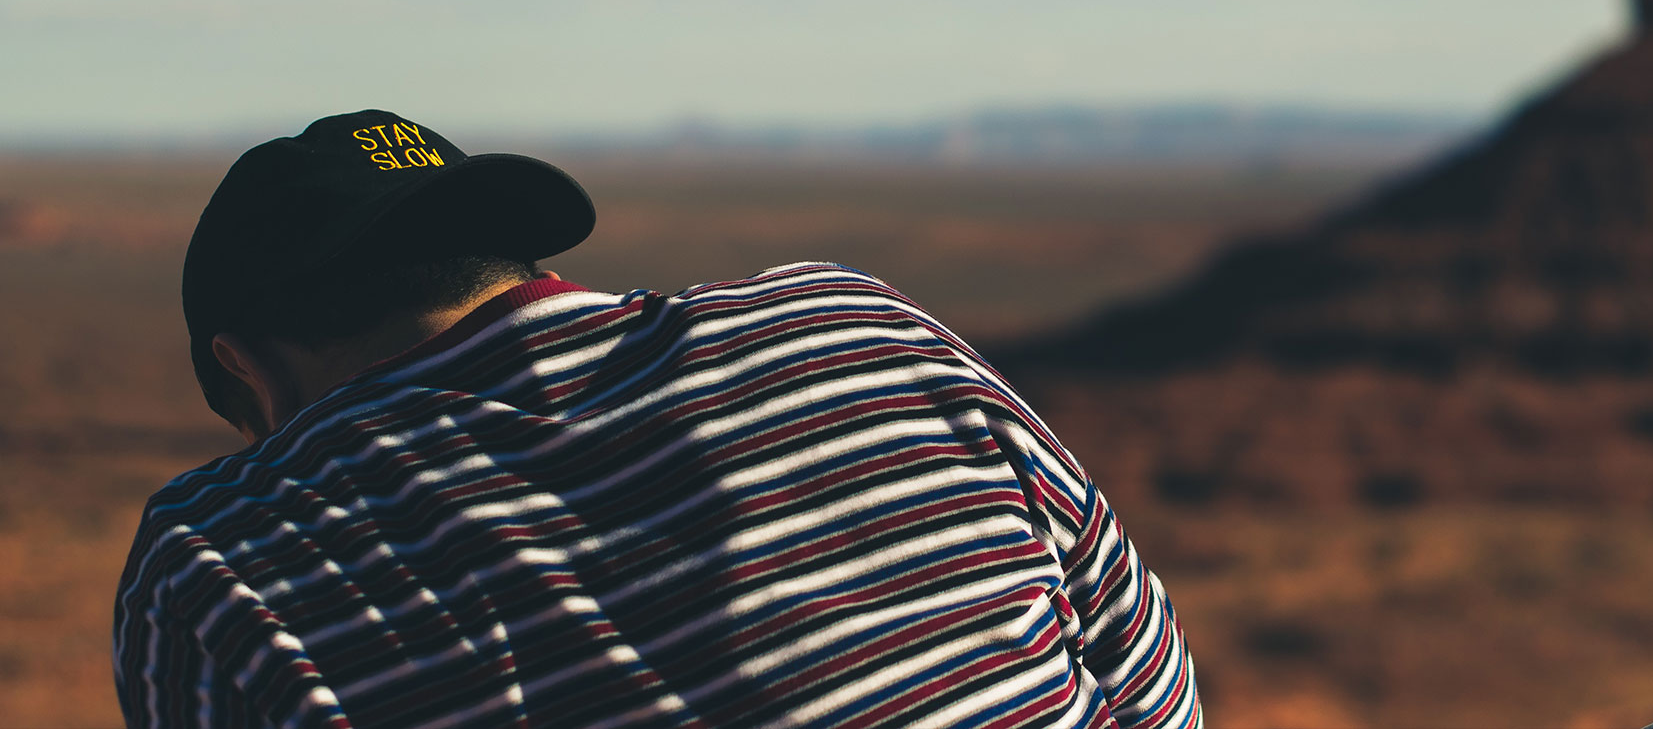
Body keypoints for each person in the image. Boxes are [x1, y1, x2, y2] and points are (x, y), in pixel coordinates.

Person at [115, 110, 1202, 729]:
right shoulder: (854, 325)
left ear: (248, 374)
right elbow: (1156, 696)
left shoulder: (216, 555)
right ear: (515, 263)